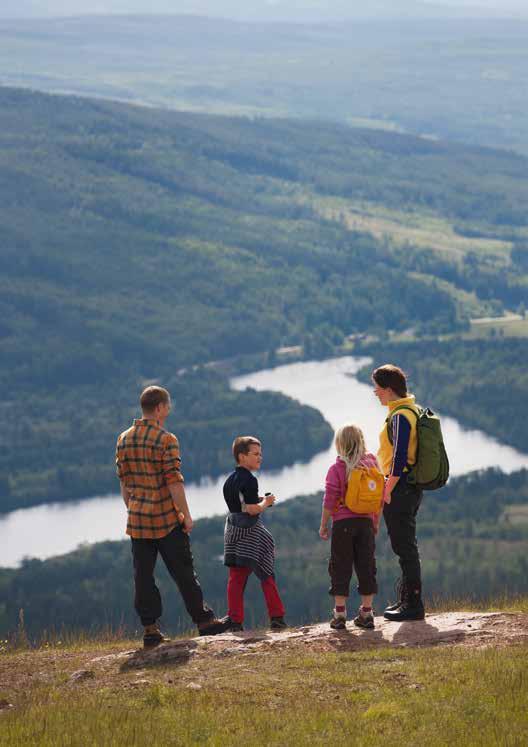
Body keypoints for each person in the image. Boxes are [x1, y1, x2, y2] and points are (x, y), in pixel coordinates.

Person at [116, 385, 229, 648]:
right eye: (167, 406)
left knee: (143, 576)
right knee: (184, 572)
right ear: (158, 409)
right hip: (166, 518)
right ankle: (204, 622)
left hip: (138, 520)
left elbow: (124, 482)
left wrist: (132, 508)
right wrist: (186, 515)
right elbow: (173, 482)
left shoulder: (123, 439)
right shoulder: (167, 439)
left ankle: (150, 629)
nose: (169, 410)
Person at [372, 363, 425, 621]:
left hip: (400, 488)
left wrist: (387, 489)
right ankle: (408, 600)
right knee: (404, 546)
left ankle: (413, 605)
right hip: (409, 487)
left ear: (389, 389)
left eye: (378, 388)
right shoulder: (409, 409)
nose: (375, 392)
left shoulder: (400, 416)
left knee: (405, 547)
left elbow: (400, 457)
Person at [319, 424, 382, 630]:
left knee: (340, 566)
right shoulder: (372, 463)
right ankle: (367, 613)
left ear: (340, 444)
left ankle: (339, 615)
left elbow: (330, 500)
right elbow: (378, 497)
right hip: (365, 523)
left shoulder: (337, 468)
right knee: (366, 566)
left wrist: (324, 525)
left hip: (343, 524)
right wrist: (376, 521)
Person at [222, 436, 287, 632]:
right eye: (256, 454)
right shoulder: (250, 479)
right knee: (266, 573)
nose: (260, 457)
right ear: (242, 456)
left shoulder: (230, 480)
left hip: (233, 529)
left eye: (261, 454)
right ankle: (277, 617)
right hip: (250, 532)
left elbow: (239, 505)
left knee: (236, 577)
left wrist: (258, 499)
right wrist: (265, 503)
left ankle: (235, 620)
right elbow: (251, 509)